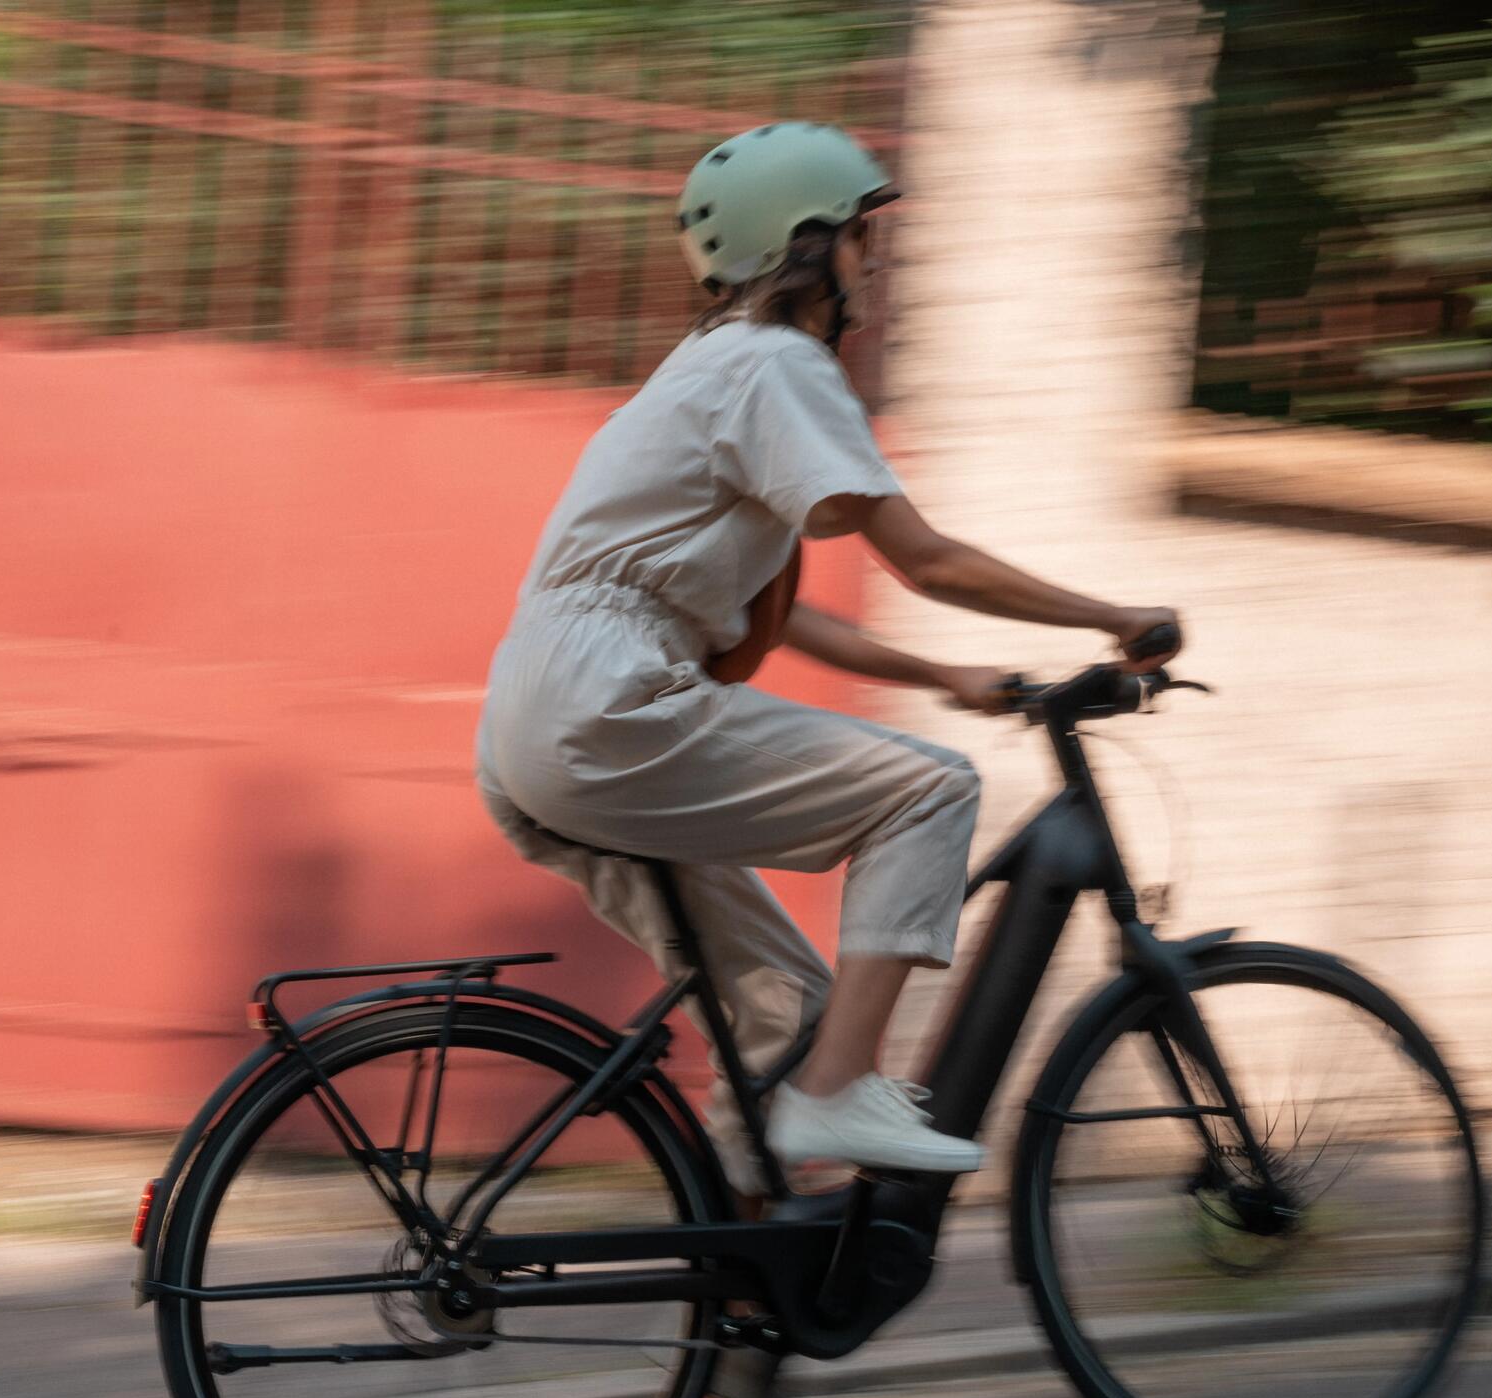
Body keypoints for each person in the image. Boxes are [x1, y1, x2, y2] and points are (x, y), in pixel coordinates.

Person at [475, 119, 1176, 1303]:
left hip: (542, 719)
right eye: (862, 232)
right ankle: (842, 1097)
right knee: (931, 790)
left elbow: (780, 611)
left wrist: (944, 680)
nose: (873, 258)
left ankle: (747, 1319)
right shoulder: (778, 368)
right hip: (612, 701)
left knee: (785, 1009)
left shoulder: (709, 372)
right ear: (806, 243)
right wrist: (1115, 616)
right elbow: (928, 558)